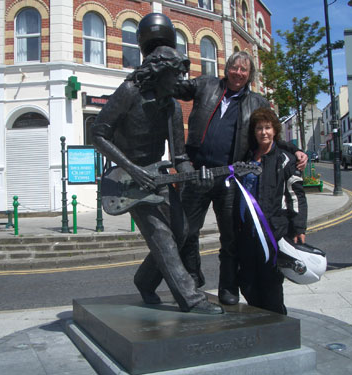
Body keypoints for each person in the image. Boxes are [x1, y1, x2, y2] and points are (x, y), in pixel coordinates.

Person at [91, 44, 223, 315]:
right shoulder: (129, 93)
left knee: (182, 231)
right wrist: (130, 167)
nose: (180, 81)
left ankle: (145, 280)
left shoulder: (173, 108)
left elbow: (179, 157)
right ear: (159, 73)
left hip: (157, 178)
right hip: (127, 180)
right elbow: (98, 134)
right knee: (162, 236)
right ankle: (191, 298)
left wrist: (196, 176)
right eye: (176, 75)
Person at [174, 51, 308, 305]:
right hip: (197, 173)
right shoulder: (207, 85)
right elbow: (178, 88)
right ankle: (193, 274)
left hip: (229, 177)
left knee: (230, 236)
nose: (238, 73)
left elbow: (272, 132)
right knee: (186, 231)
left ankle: (228, 286)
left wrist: (295, 150)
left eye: (244, 70)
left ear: (249, 75)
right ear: (227, 68)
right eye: (234, 68)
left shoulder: (256, 102)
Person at [235, 107, 307, 314]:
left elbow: (296, 195)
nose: (263, 132)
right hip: (247, 231)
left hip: (272, 231)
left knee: (271, 283)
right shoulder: (247, 156)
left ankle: (277, 323)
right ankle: (258, 321)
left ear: (275, 130)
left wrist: (299, 226)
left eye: (267, 128)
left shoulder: (285, 159)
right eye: (259, 128)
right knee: (247, 281)